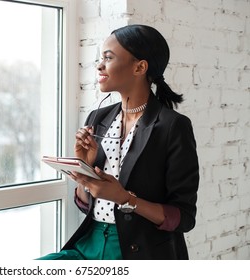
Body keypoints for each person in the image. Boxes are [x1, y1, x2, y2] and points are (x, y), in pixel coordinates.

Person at [37, 24, 199, 260]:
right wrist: (84, 172)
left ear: (140, 67)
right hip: (88, 243)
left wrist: (125, 198)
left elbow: (183, 217)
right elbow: (85, 205)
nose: (99, 65)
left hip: (139, 250)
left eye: (108, 58)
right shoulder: (98, 118)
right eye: (100, 58)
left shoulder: (173, 126)